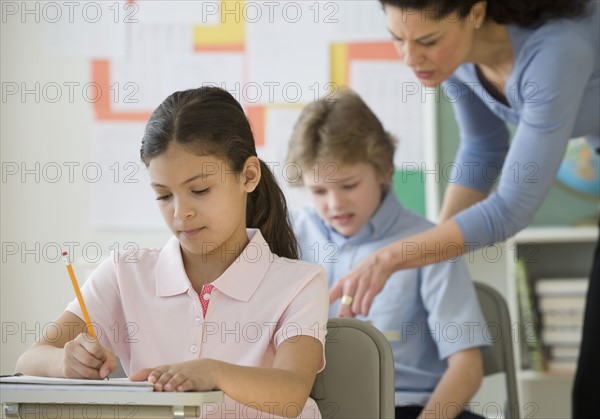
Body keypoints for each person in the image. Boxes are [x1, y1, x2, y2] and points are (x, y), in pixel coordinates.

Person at [329, 1, 599, 417]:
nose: (410, 58)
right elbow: (483, 148)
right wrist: (430, 253)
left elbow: (511, 208)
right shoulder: (456, 58)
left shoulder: (556, 51)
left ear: (475, 12)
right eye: (397, 39)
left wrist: (393, 257)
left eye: (428, 41)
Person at [15, 86, 329, 419]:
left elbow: (291, 392)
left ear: (248, 176)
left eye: (200, 190)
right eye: (164, 196)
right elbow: (30, 359)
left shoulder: (300, 283)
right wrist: (65, 361)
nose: (180, 214)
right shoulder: (125, 272)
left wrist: (213, 372)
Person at [288, 88, 490, 419]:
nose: (335, 204)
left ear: (383, 170)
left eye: (349, 185)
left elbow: (467, 368)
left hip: (408, 407)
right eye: (319, 191)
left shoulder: (427, 244)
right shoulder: (289, 234)